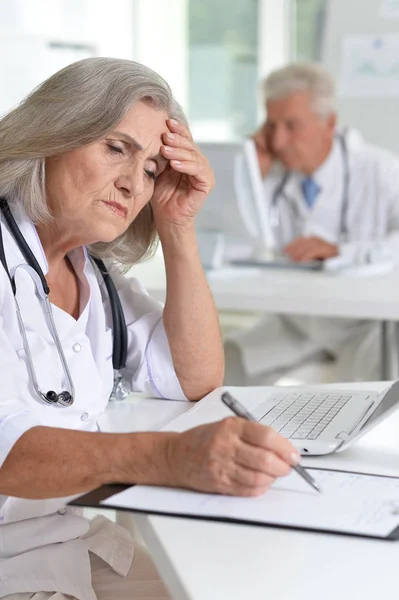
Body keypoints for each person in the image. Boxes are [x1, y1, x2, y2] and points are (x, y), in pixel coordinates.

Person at [0, 58, 300, 600]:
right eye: (117, 149)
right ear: (51, 133)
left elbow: (195, 376)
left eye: (152, 171)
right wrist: (167, 459)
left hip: (63, 542)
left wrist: (178, 226)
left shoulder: (89, 273)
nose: (132, 184)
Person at [224, 62, 399, 386]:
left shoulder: (381, 170)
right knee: (222, 367)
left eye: (292, 125)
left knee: (373, 400)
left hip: (366, 325)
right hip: (297, 322)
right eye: (271, 126)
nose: (278, 141)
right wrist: (249, 176)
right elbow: (227, 246)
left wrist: (342, 251)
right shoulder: (269, 174)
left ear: (328, 123)